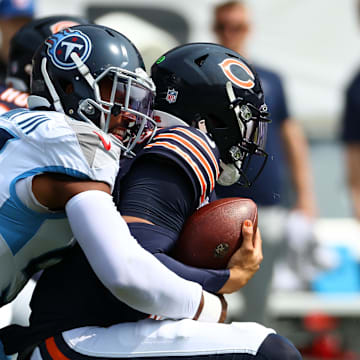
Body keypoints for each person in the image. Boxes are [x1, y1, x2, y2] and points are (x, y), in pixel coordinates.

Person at [1, 43, 301, 360]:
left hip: (81, 331)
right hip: (76, 338)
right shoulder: (181, 143)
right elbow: (136, 258)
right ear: (213, 118)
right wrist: (225, 281)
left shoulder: (118, 147)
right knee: (268, 351)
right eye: (243, 118)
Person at [212, 0, 317, 324]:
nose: (231, 34)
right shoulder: (203, 79)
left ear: (249, 29)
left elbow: (291, 137)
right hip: (217, 203)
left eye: (238, 26)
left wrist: (306, 196)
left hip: (267, 204)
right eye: (224, 27)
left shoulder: (269, 79)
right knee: (212, 298)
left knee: (260, 303)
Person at [0, 0, 34, 83]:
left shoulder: (34, 66)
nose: (19, 29)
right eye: (13, 22)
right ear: (1, 23)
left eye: (25, 23)